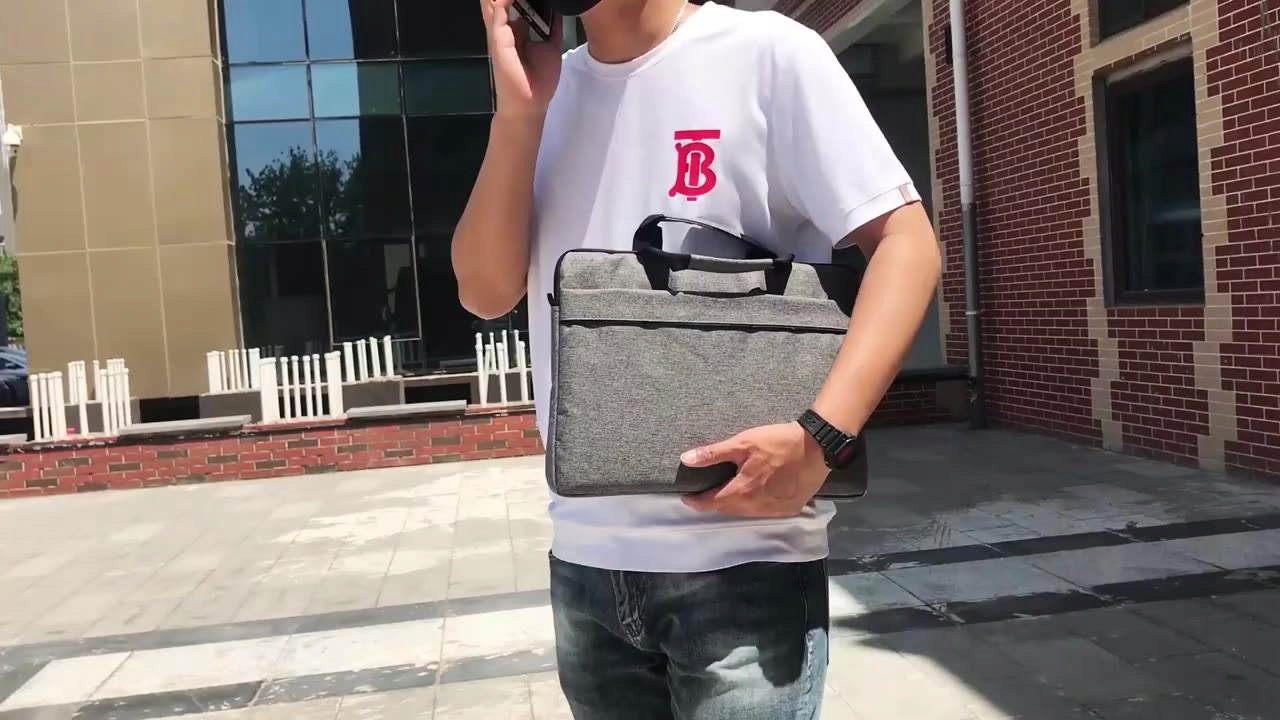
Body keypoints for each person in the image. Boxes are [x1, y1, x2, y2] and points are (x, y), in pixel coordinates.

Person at [452, 0, 941, 717]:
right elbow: (485, 291)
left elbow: (907, 245)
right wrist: (520, 115)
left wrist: (822, 438)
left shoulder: (767, 54)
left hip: (745, 563)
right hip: (586, 567)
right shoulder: (542, 94)